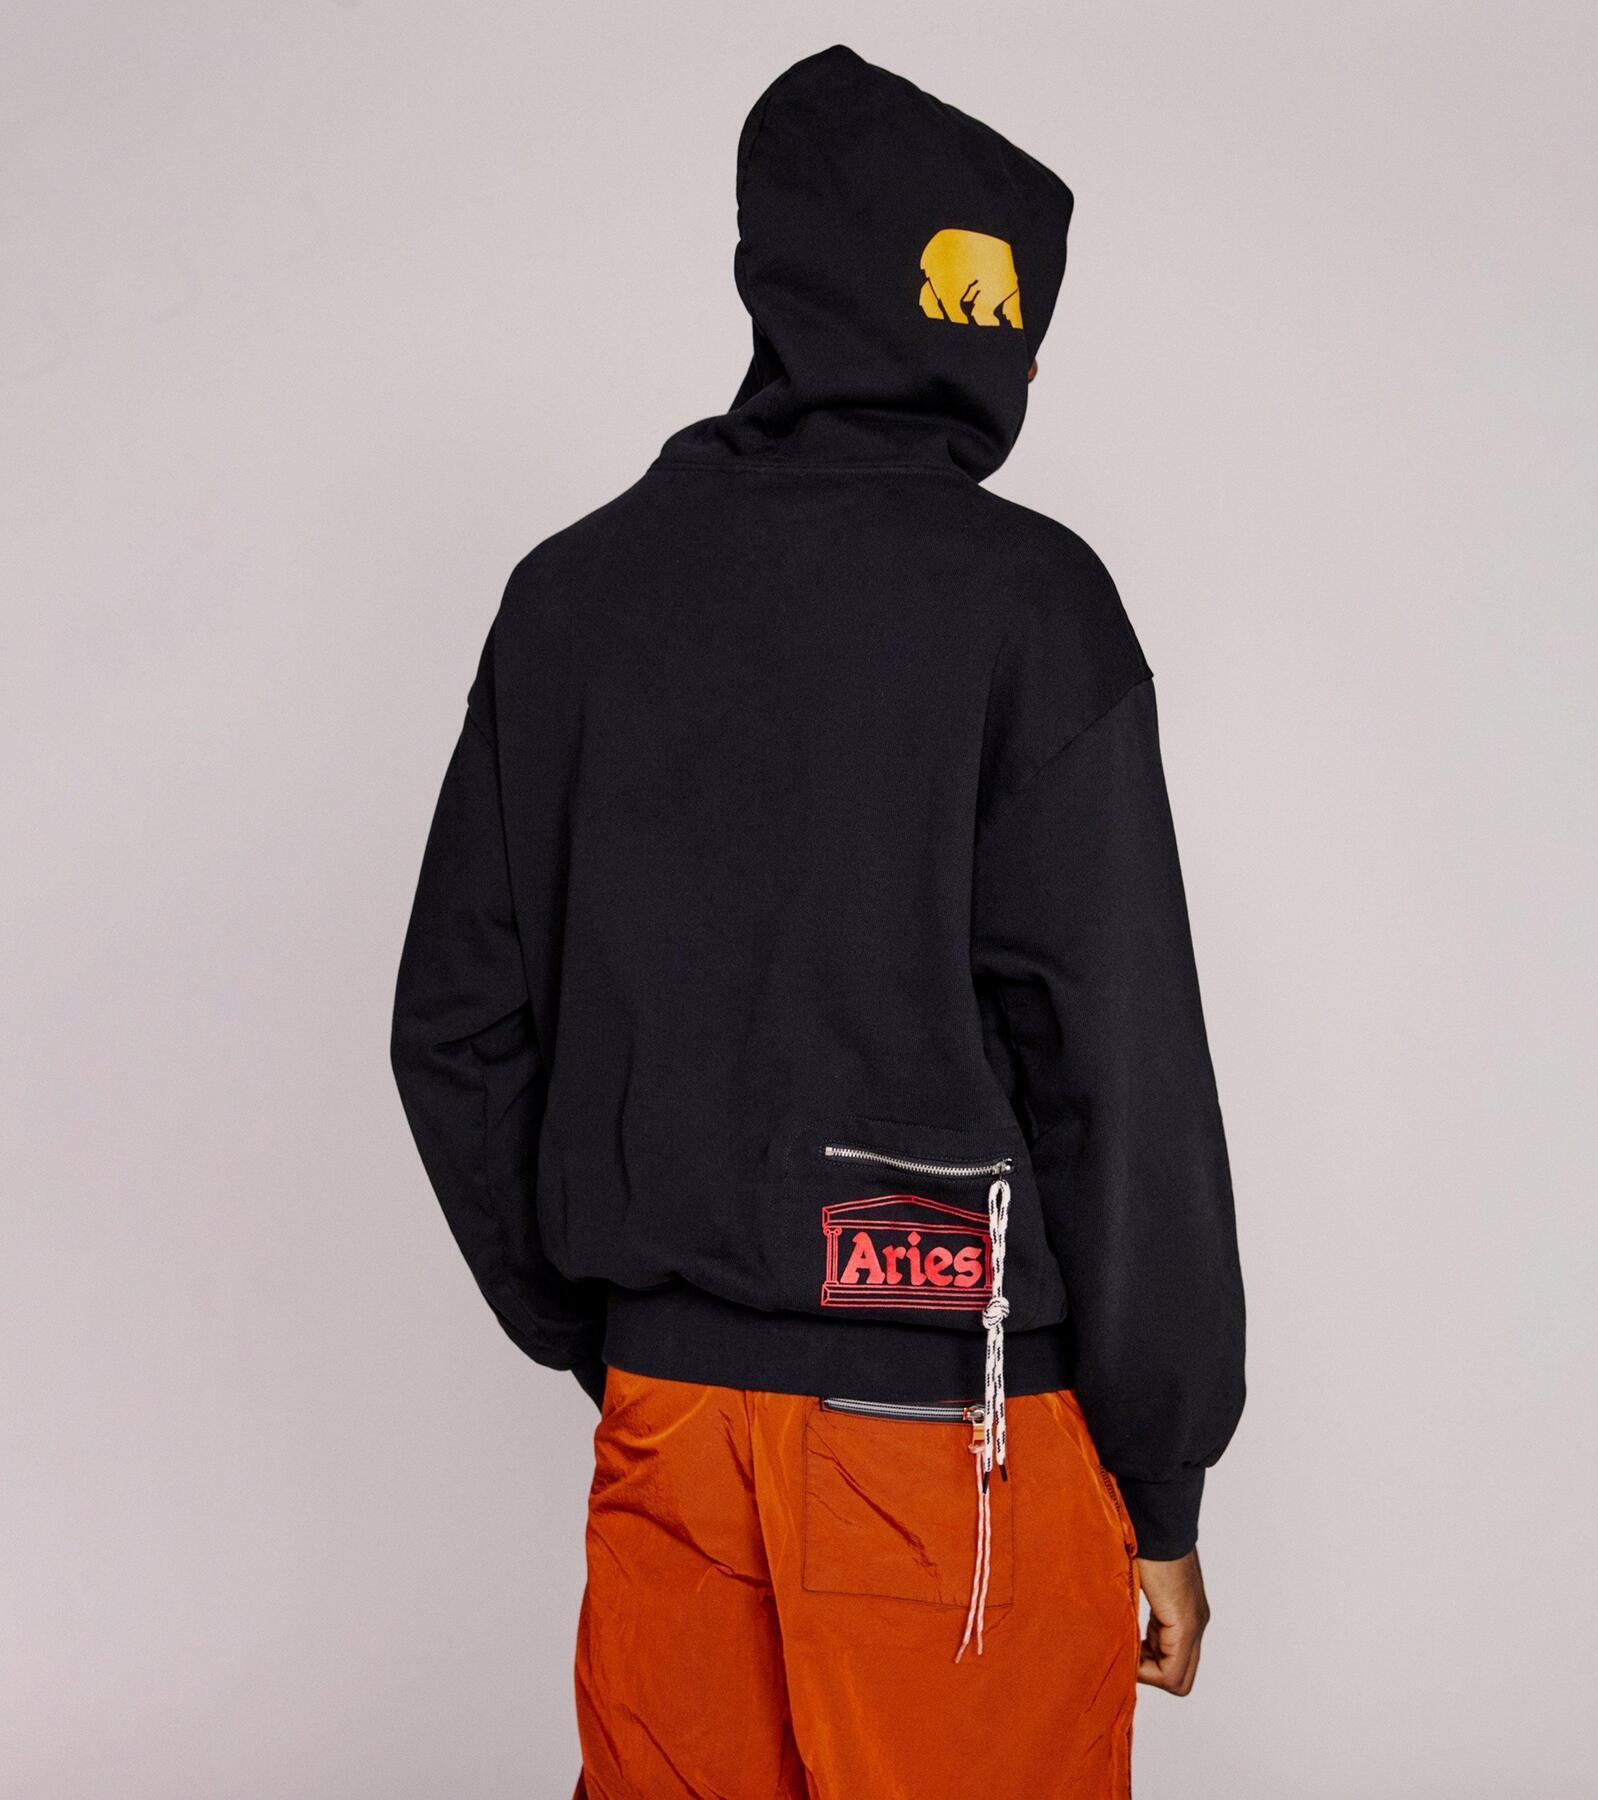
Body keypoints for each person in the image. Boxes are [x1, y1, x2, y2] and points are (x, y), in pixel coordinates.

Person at [392, 44, 1245, 1798]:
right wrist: (1160, 1484)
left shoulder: (569, 599)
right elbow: (1117, 1070)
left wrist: (630, 1322)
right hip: (955, 1442)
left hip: (671, 1427)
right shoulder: (1027, 603)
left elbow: (459, 1031)